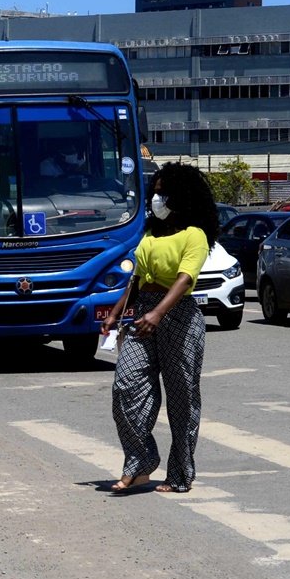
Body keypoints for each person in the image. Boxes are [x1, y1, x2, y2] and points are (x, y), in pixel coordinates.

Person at [100, 162, 218, 495]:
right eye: (155, 190)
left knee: (181, 399)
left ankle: (180, 473)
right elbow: (136, 279)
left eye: (163, 192)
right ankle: (140, 464)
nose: (156, 197)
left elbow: (185, 279)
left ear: (181, 195)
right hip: (142, 314)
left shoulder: (194, 234)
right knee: (126, 385)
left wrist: (159, 314)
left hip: (178, 315)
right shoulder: (151, 234)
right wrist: (114, 313)